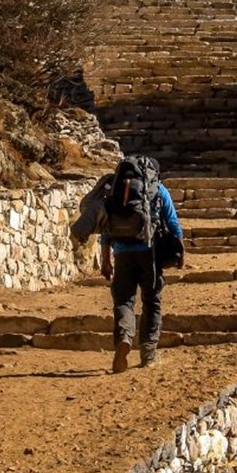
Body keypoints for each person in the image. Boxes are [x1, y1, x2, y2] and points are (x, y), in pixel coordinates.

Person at [71, 157, 184, 373]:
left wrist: (106, 259)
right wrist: (180, 253)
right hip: (150, 254)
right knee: (152, 302)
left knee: (123, 300)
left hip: (122, 253)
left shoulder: (115, 190)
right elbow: (173, 223)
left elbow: (106, 228)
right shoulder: (157, 189)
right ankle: (148, 353)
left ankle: (124, 336)